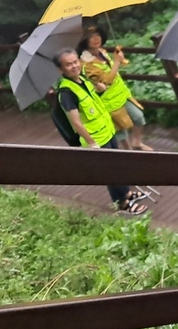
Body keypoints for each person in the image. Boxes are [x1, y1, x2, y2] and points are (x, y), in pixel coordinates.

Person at [53, 48, 147, 215]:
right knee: (109, 171)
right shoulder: (66, 92)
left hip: (107, 131)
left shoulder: (81, 79)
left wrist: (99, 88)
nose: (74, 66)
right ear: (61, 69)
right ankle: (123, 204)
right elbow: (76, 122)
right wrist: (91, 143)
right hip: (96, 139)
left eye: (75, 62)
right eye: (69, 64)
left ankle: (127, 193)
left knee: (116, 166)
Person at [79, 25, 152, 151]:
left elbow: (112, 67)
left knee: (138, 116)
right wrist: (117, 62)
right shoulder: (86, 64)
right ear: (84, 41)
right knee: (120, 127)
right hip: (108, 100)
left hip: (121, 94)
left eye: (97, 35)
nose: (96, 39)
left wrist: (119, 59)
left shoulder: (102, 52)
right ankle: (128, 150)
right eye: (91, 37)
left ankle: (137, 142)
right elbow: (107, 80)